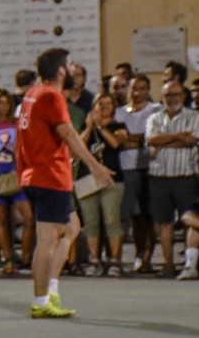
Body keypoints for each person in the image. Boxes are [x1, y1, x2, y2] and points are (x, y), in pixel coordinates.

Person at [16, 48, 113, 317]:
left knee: (72, 227)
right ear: (61, 71)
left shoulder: (33, 93)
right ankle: (40, 302)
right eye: (70, 65)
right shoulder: (51, 96)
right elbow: (68, 134)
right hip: (49, 176)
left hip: (37, 174)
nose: (73, 69)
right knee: (47, 240)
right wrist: (95, 167)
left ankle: (52, 289)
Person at [143, 79, 199, 278]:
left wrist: (163, 141)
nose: (172, 98)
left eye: (176, 94)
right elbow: (151, 139)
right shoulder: (154, 118)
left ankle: (189, 263)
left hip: (185, 176)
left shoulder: (194, 116)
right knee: (163, 221)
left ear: (183, 96)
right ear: (162, 97)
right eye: (167, 95)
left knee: (188, 221)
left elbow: (192, 140)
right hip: (159, 176)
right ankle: (168, 264)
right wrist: (178, 136)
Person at [0, 90, 33, 275]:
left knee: (28, 218)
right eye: (0, 103)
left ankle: (26, 258)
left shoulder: (16, 124)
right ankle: (8, 258)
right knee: (0, 219)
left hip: (16, 173)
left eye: (6, 102)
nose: (3, 106)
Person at [78, 93, 127, 276]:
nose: (104, 107)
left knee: (111, 219)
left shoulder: (119, 127)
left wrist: (101, 127)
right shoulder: (86, 127)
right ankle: (94, 260)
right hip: (87, 179)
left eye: (108, 103)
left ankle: (115, 260)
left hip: (111, 178)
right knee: (90, 221)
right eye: (101, 103)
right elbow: (78, 148)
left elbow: (115, 143)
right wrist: (89, 127)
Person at [118, 74, 162, 274]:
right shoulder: (119, 112)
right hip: (124, 168)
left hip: (148, 168)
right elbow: (116, 141)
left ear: (148, 90)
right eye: (133, 88)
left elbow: (150, 139)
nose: (136, 93)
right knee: (131, 216)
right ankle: (134, 255)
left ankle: (147, 258)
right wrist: (133, 140)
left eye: (141, 88)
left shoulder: (155, 110)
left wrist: (130, 139)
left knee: (147, 216)